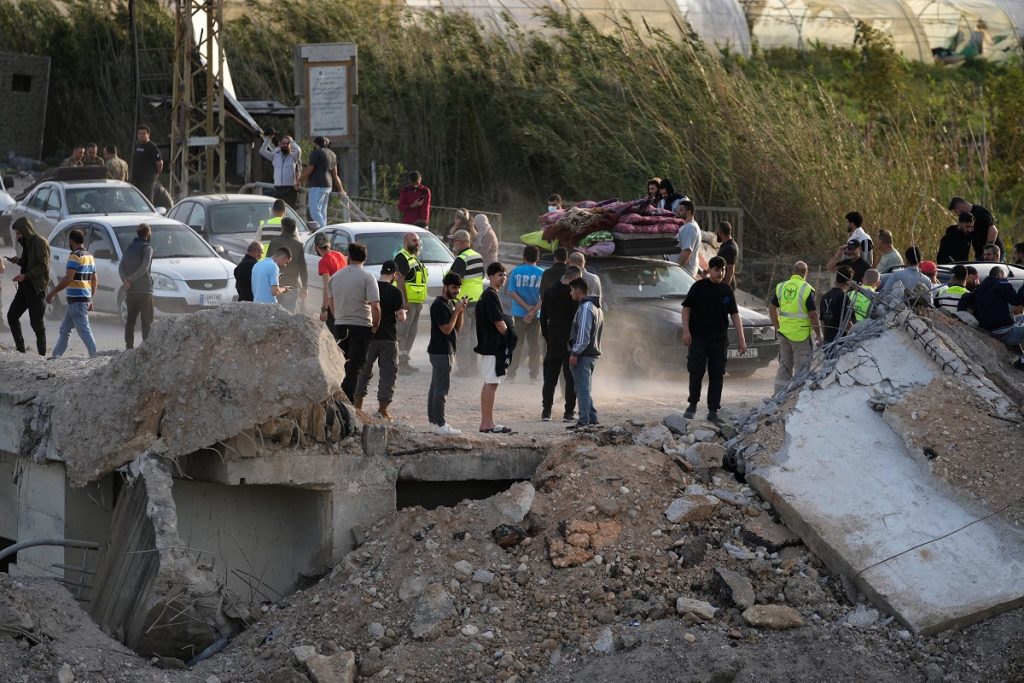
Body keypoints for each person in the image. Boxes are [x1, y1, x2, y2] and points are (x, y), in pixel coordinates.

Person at [680, 256, 745, 424]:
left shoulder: (727, 290)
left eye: (723, 270)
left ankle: (713, 411)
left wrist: (741, 338)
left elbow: (735, 314)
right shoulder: (698, 287)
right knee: (696, 372)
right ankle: (692, 405)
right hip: (699, 338)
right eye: (717, 270)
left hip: (719, 340)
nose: (721, 273)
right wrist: (686, 331)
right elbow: (686, 309)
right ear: (709, 271)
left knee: (717, 375)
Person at [354, 260, 406, 420]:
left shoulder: (371, 287)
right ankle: (382, 410)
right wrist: (403, 313)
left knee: (363, 372)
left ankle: (357, 407)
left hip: (369, 336)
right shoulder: (396, 292)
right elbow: (401, 317)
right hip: (388, 339)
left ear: (382, 271)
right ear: (394, 275)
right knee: (388, 374)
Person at [329, 242, 381, 402]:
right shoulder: (367, 277)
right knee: (355, 366)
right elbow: (375, 306)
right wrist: (375, 325)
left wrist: (338, 317)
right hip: (362, 326)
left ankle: (337, 399)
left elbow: (330, 301)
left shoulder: (335, 277)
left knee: (340, 364)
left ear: (349, 257)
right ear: (365, 258)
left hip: (340, 325)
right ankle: (348, 402)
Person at [769, 261, 823, 393]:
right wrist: (818, 334)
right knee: (801, 367)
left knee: (784, 366)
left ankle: (778, 397)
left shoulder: (781, 286)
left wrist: (776, 326)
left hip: (784, 333)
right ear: (806, 273)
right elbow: (813, 315)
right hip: (800, 336)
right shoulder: (806, 289)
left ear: (793, 272)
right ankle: (798, 397)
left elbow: (771, 307)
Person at [958, 266, 1024, 370]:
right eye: (1005, 277)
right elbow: (1016, 300)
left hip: (991, 331)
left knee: (1021, 318)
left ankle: (1018, 352)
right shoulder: (1001, 283)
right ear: (1000, 275)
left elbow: (964, 298)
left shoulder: (979, 289)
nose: (1006, 279)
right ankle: (1022, 362)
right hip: (1006, 333)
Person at [427, 273, 470, 435]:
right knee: (441, 389)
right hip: (441, 351)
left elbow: (457, 329)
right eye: (453, 287)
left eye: (458, 288)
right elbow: (446, 329)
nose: (456, 291)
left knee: (435, 387)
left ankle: (433, 422)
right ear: (445, 286)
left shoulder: (450, 303)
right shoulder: (438, 305)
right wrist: (456, 311)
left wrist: (460, 311)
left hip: (445, 350)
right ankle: (440, 424)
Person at [45, 229, 97, 359]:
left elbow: (68, 279)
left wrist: (52, 292)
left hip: (76, 301)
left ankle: (95, 356)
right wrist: (90, 298)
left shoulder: (75, 256)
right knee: (65, 329)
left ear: (71, 241)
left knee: (84, 330)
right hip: (80, 299)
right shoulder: (89, 256)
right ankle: (55, 357)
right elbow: (94, 279)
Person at [475, 262, 513, 433]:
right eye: (499, 275)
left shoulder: (488, 295)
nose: (503, 278)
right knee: (491, 384)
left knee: (489, 383)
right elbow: (498, 323)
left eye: (504, 275)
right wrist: (510, 337)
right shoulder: (490, 295)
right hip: (492, 347)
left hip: (488, 346)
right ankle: (487, 423)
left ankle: (486, 422)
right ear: (490, 276)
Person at [539, 265, 580, 422]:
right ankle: (569, 412)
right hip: (570, 341)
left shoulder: (549, 292)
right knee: (570, 378)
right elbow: (577, 319)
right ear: (574, 278)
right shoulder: (573, 295)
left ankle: (546, 411)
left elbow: (543, 318)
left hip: (554, 340)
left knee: (550, 377)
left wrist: (547, 338)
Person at [7, 218, 50, 355]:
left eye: (19, 233)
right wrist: (18, 261)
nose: (17, 237)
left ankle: (42, 356)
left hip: (36, 289)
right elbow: (29, 263)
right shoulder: (27, 243)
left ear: (26, 231)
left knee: (37, 324)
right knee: (12, 316)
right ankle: (21, 351)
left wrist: (25, 276)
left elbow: (43, 266)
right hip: (25, 288)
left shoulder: (39, 242)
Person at [567, 277, 604, 429]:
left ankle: (583, 422)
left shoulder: (586, 308)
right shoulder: (595, 307)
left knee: (582, 389)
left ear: (578, 290)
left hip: (584, 355)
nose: (570, 294)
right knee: (583, 388)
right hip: (590, 355)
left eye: (571, 290)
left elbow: (584, 336)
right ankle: (592, 418)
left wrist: (575, 353)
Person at [505, 245, 544, 382]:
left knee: (517, 344)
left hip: (519, 313)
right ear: (538, 258)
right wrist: (533, 311)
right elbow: (544, 296)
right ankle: (534, 376)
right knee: (534, 345)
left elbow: (511, 292)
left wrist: (526, 308)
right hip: (536, 315)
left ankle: (511, 375)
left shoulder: (516, 271)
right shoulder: (542, 273)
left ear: (524, 257)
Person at [449, 229, 484, 377]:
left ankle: (464, 368)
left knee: (463, 337)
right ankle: (474, 367)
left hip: (463, 303)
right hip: (477, 302)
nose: (453, 243)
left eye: (454, 241)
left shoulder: (461, 259)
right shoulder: (478, 257)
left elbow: (454, 281)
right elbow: (480, 277)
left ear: (461, 242)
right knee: (474, 336)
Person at [394, 231, 429, 374]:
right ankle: (399, 364)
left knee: (412, 333)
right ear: (406, 242)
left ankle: (405, 361)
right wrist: (404, 301)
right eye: (414, 240)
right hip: (408, 303)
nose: (417, 243)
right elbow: (400, 281)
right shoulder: (402, 257)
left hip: (417, 303)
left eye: (418, 240)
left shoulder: (414, 258)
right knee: (402, 332)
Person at [119, 223, 154, 349]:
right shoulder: (147, 248)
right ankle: (146, 347)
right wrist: (131, 279)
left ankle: (129, 347)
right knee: (146, 320)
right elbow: (145, 267)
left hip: (131, 291)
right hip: (144, 291)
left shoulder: (129, 249)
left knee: (130, 321)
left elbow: (121, 267)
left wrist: (126, 280)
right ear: (148, 233)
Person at [300, 136, 342, 229]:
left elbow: (309, 170)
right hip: (328, 186)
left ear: (315, 144)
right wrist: (341, 190)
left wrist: (298, 181)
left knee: (314, 211)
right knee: (322, 212)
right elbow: (335, 174)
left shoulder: (316, 153)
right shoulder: (332, 154)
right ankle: (324, 230)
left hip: (317, 185)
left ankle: (324, 231)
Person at [267, 217, 308, 313]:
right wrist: (305, 287)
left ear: (283, 228)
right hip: (291, 285)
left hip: (274, 285)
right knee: (289, 315)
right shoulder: (298, 245)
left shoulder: (274, 243)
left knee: (273, 314)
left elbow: (267, 263)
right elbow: (303, 268)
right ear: (294, 230)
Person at [314, 233, 347, 342]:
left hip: (334, 302)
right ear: (329, 244)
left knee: (335, 336)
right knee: (344, 333)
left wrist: (324, 309)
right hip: (345, 298)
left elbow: (327, 286)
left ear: (317, 247)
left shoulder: (323, 261)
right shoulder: (340, 255)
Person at [949, 197, 999, 261]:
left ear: (960, 207)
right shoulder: (967, 218)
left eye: (956, 212)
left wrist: (987, 251)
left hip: (993, 255)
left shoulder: (980, 212)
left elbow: (993, 231)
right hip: (981, 255)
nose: (957, 214)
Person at [260, 131, 302, 208]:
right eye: (283, 143)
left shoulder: (293, 156)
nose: (285, 145)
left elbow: (298, 150)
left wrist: (291, 141)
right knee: (277, 211)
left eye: (287, 143)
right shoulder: (275, 155)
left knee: (289, 211)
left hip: (289, 189)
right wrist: (269, 139)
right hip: (278, 189)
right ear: (280, 144)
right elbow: (262, 151)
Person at [819, 266, 854, 345]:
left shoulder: (825, 296)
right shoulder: (844, 297)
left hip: (827, 340)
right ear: (849, 281)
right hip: (840, 342)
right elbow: (847, 323)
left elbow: (822, 321)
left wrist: (825, 337)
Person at [130, 125, 163, 203]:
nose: (141, 135)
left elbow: (160, 163)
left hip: (147, 182)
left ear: (148, 134)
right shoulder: (138, 146)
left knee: (146, 202)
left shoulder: (152, 147)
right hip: (136, 180)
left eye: (143, 133)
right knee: (135, 201)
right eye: (139, 133)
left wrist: (156, 174)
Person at [676, 200, 701, 279]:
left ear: (689, 212)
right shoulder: (688, 226)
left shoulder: (690, 227)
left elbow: (687, 251)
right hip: (684, 271)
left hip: (684, 272)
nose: (678, 212)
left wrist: (678, 268)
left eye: (681, 210)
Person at [716, 221, 738, 288]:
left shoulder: (730, 248)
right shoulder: (725, 245)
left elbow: (730, 271)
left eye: (718, 231)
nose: (717, 234)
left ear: (720, 232)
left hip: (727, 285)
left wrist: (724, 288)